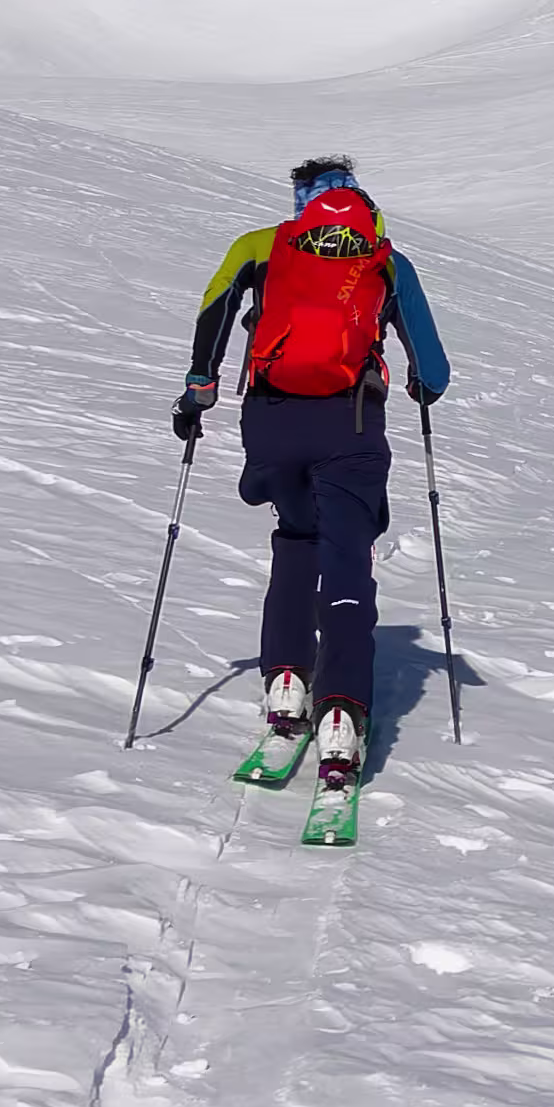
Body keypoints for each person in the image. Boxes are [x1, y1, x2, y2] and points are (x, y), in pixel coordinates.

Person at [174, 156, 451, 786]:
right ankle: (343, 712)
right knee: (347, 554)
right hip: (350, 423)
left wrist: (198, 392)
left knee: (296, 538)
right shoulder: (385, 259)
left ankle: (286, 682)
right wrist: (421, 384)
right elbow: (433, 371)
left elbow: (214, 311)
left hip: (272, 422)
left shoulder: (260, 246)